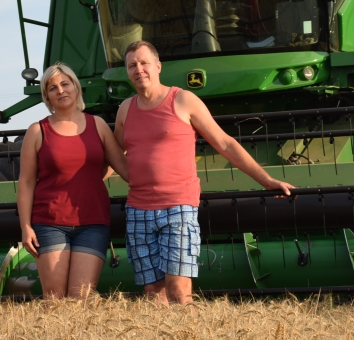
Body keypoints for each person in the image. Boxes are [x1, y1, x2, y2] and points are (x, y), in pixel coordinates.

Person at [114, 40, 294, 305]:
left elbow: (224, 143)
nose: (138, 69)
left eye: (144, 63)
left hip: (177, 207)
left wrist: (266, 179)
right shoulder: (125, 109)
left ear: (158, 66)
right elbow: (114, 155)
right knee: (153, 293)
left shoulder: (183, 100)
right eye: (132, 65)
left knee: (178, 290)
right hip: (138, 209)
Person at [17, 63, 129, 300]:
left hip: (93, 223)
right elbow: (26, 182)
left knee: (82, 297)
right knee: (55, 299)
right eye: (52, 87)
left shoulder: (98, 125)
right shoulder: (38, 131)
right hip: (49, 223)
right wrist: (26, 227)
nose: (60, 90)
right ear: (46, 96)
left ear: (76, 87)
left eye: (65, 84)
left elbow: (124, 167)